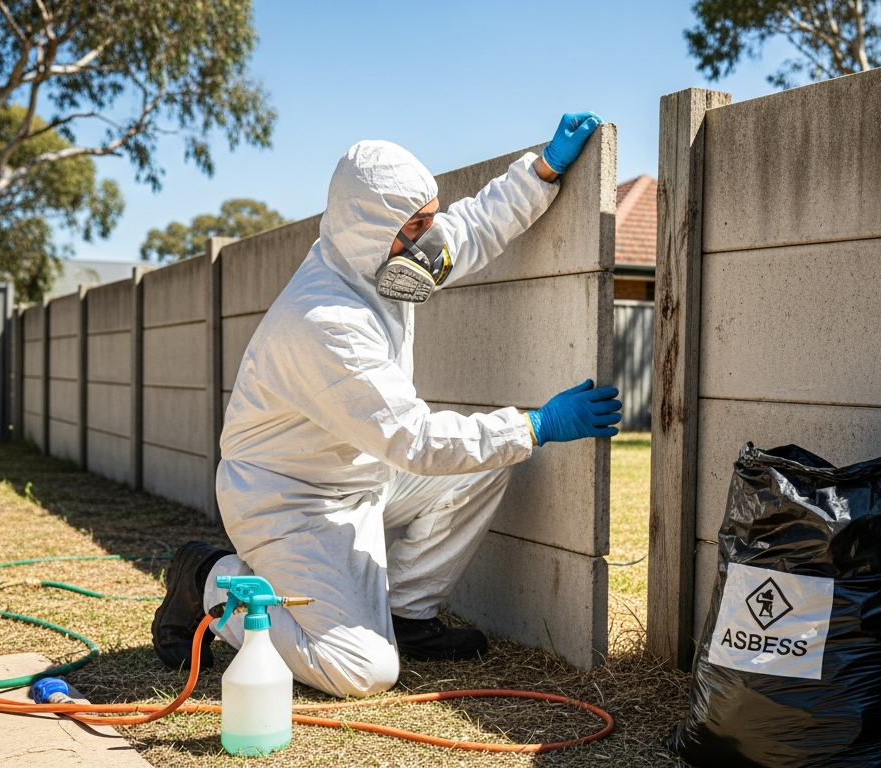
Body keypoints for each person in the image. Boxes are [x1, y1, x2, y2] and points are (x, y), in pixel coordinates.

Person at [151, 113, 621, 698]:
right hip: (290, 501)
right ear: (376, 228)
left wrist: (542, 170)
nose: (430, 239)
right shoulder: (326, 322)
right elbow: (414, 440)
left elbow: (468, 231)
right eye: (417, 225)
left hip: (357, 474)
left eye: (426, 219)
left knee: (485, 462)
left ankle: (407, 613)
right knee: (362, 671)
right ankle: (210, 580)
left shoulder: (380, 260)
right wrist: (537, 424)